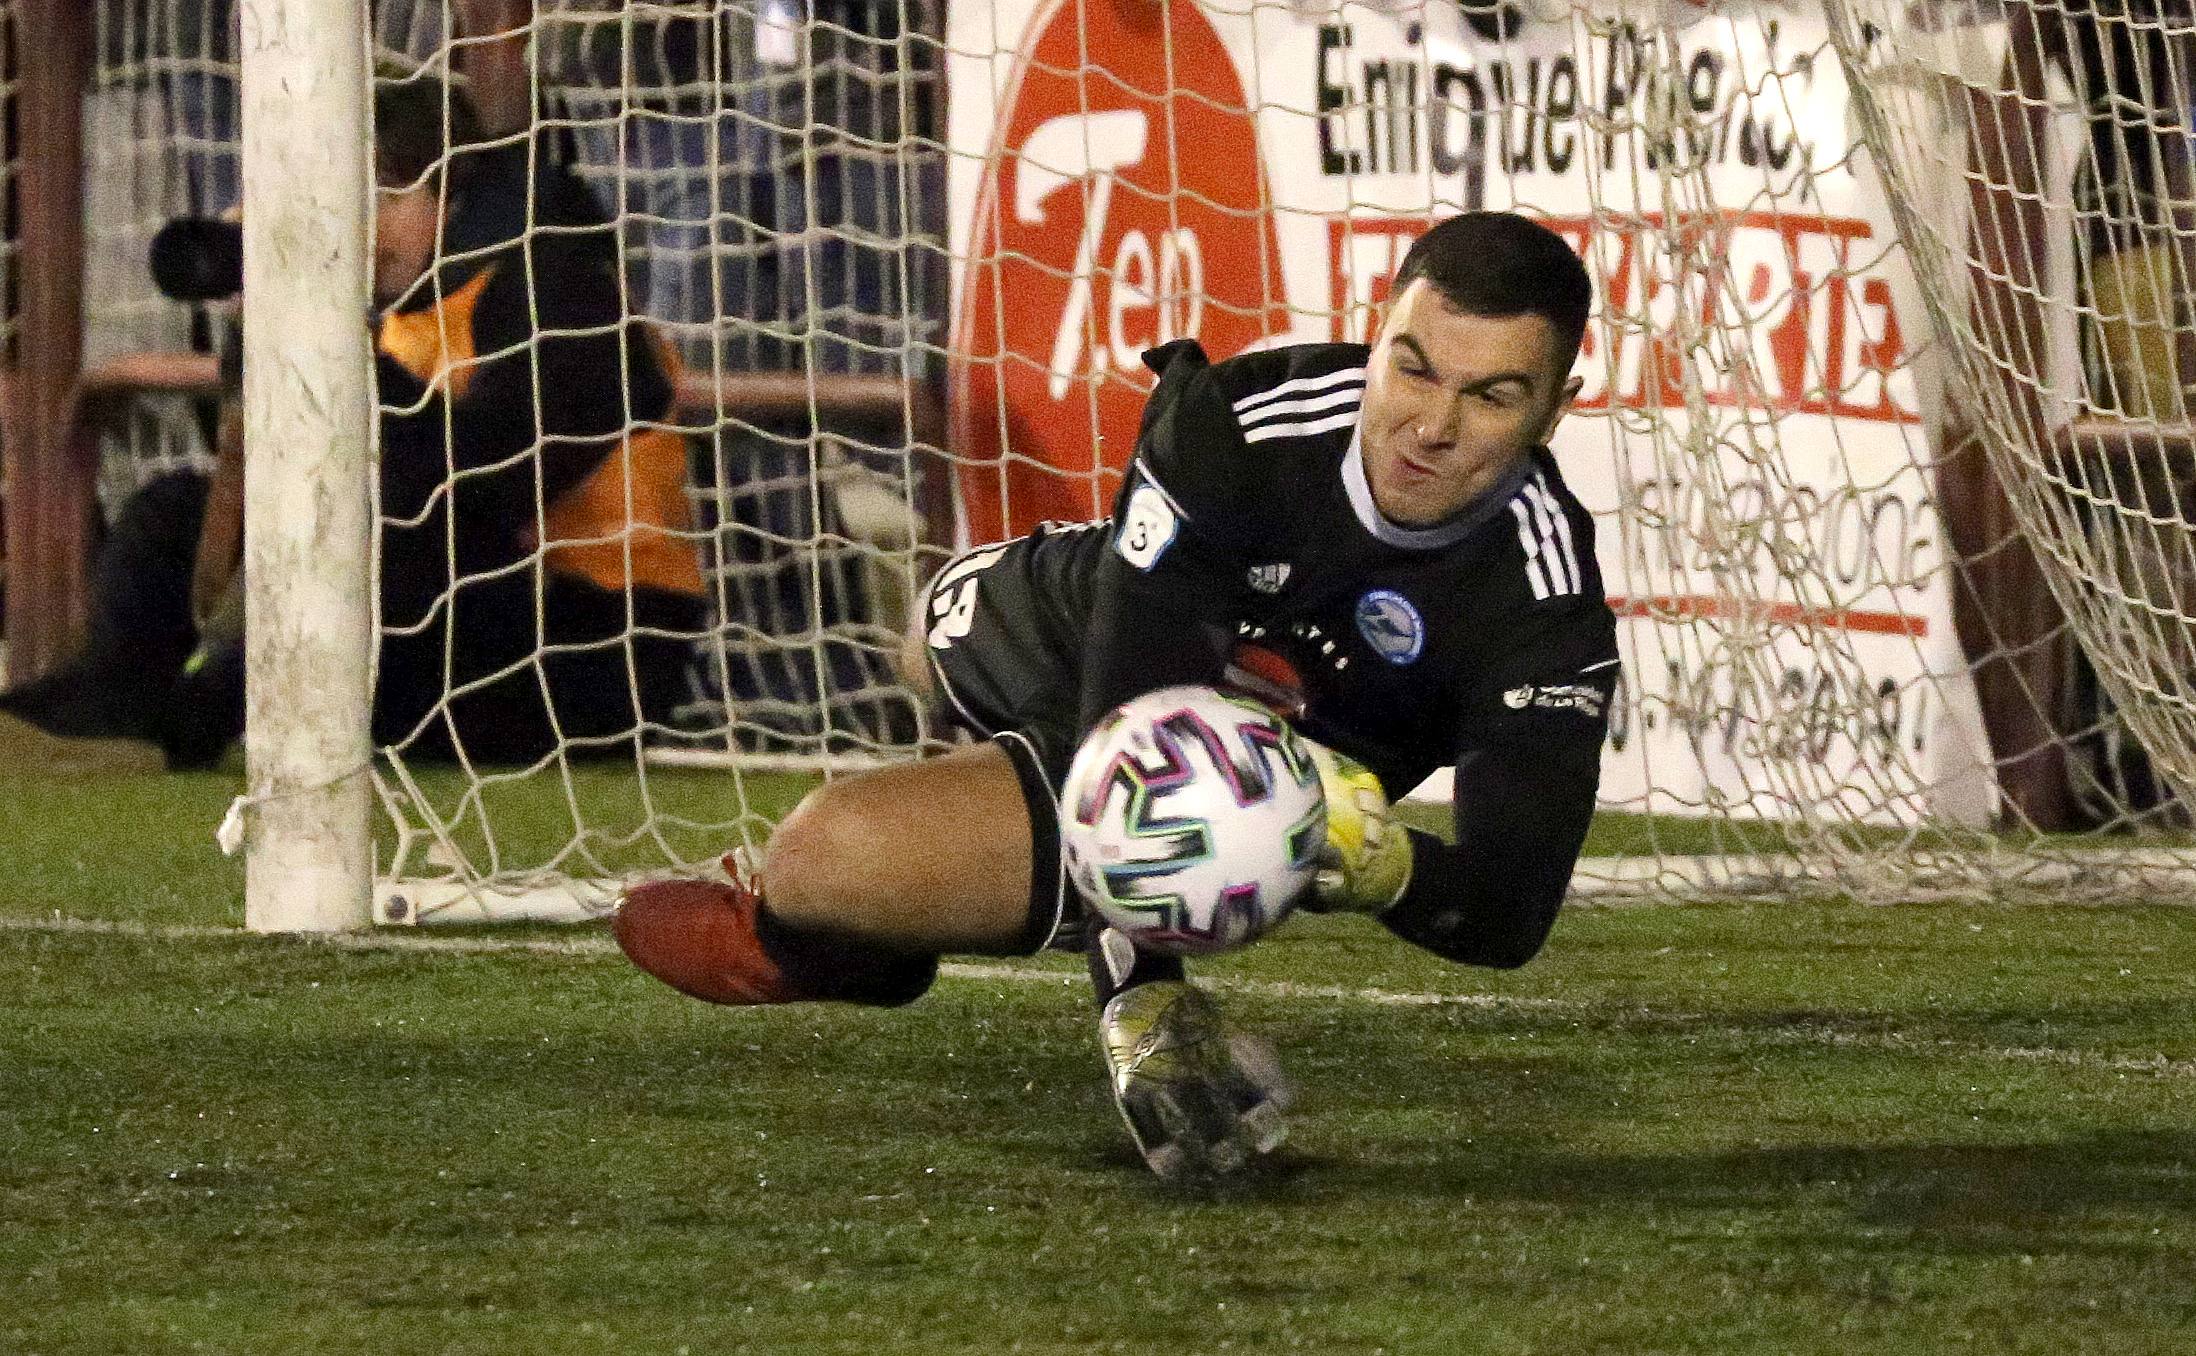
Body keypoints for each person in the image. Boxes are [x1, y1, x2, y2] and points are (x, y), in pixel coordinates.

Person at [611, 212, 1619, 1178]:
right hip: (1107, 626)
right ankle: (954, 879)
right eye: (1413, 367)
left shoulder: (1546, 606)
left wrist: (1388, 862)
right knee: (932, 634)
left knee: (827, 856)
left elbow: (1508, 910)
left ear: (1554, 408)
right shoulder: (1237, 423)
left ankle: (809, 946)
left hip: (1247, 784)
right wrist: (1142, 1001)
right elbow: (1125, 727)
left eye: (1491, 397)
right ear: (1379, 331)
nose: (1432, 426)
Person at [0, 72, 707, 769]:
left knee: (376, 538)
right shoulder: (404, 314)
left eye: (391, 192)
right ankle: (108, 700)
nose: (363, 223)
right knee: (172, 513)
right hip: (453, 617)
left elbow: (477, 494)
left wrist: (329, 343)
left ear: (454, 197)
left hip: (593, 647)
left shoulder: (557, 285)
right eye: (343, 196)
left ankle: (188, 714)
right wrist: (269, 330)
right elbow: (269, 469)